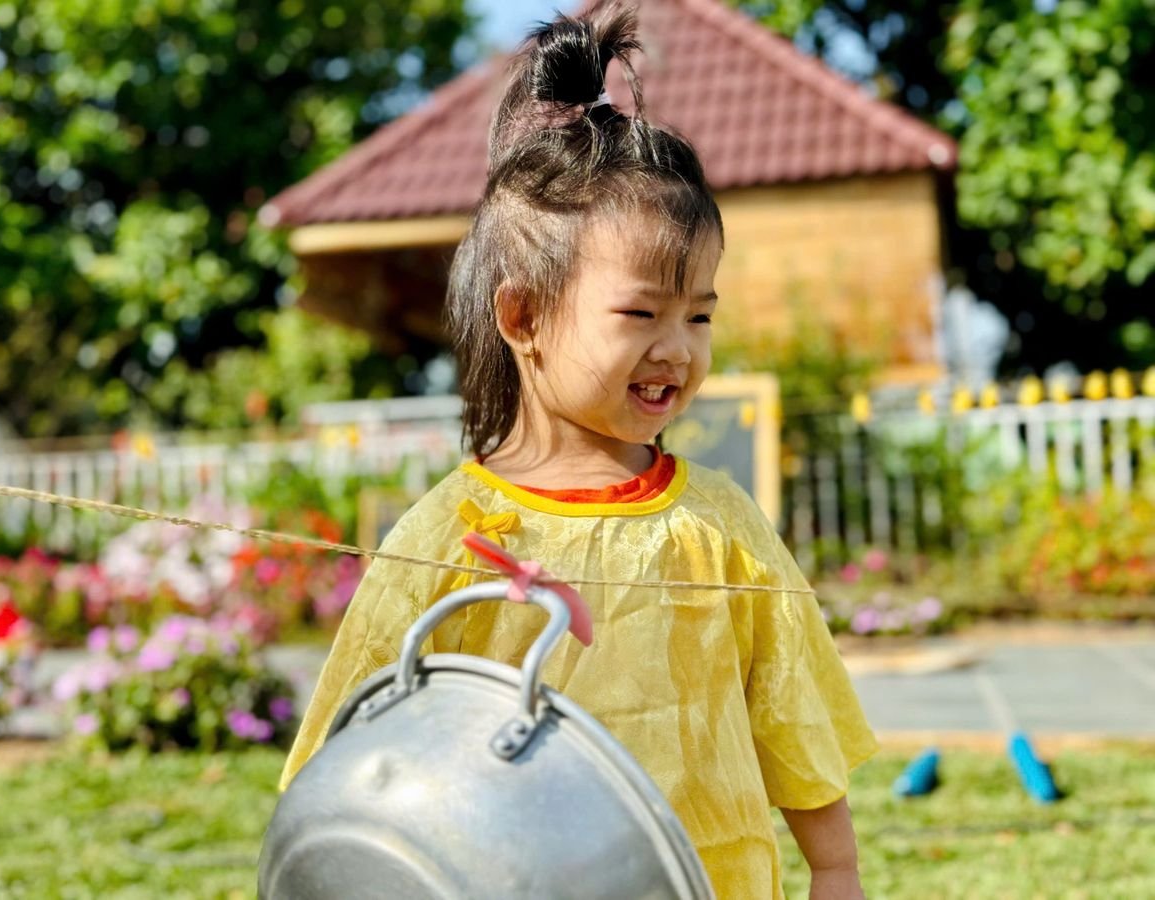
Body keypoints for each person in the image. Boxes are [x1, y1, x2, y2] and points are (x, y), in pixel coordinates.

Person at [281, 5, 877, 897]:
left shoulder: (717, 524)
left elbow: (790, 711)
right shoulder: (455, 533)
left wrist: (835, 868)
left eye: (700, 315)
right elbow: (355, 743)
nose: (678, 348)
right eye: (641, 313)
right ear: (523, 316)